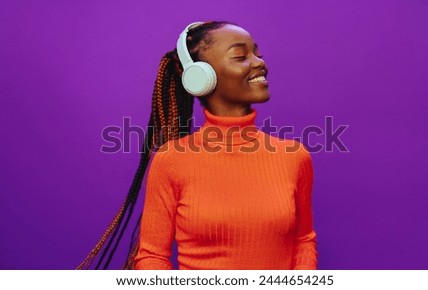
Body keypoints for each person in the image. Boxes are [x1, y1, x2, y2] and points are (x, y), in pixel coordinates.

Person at [77, 21, 318, 270]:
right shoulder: (171, 160)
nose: (259, 63)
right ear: (201, 77)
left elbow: (304, 240)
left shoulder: (294, 157)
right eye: (240, 56)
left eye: (258, 53)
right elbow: (152, 257)